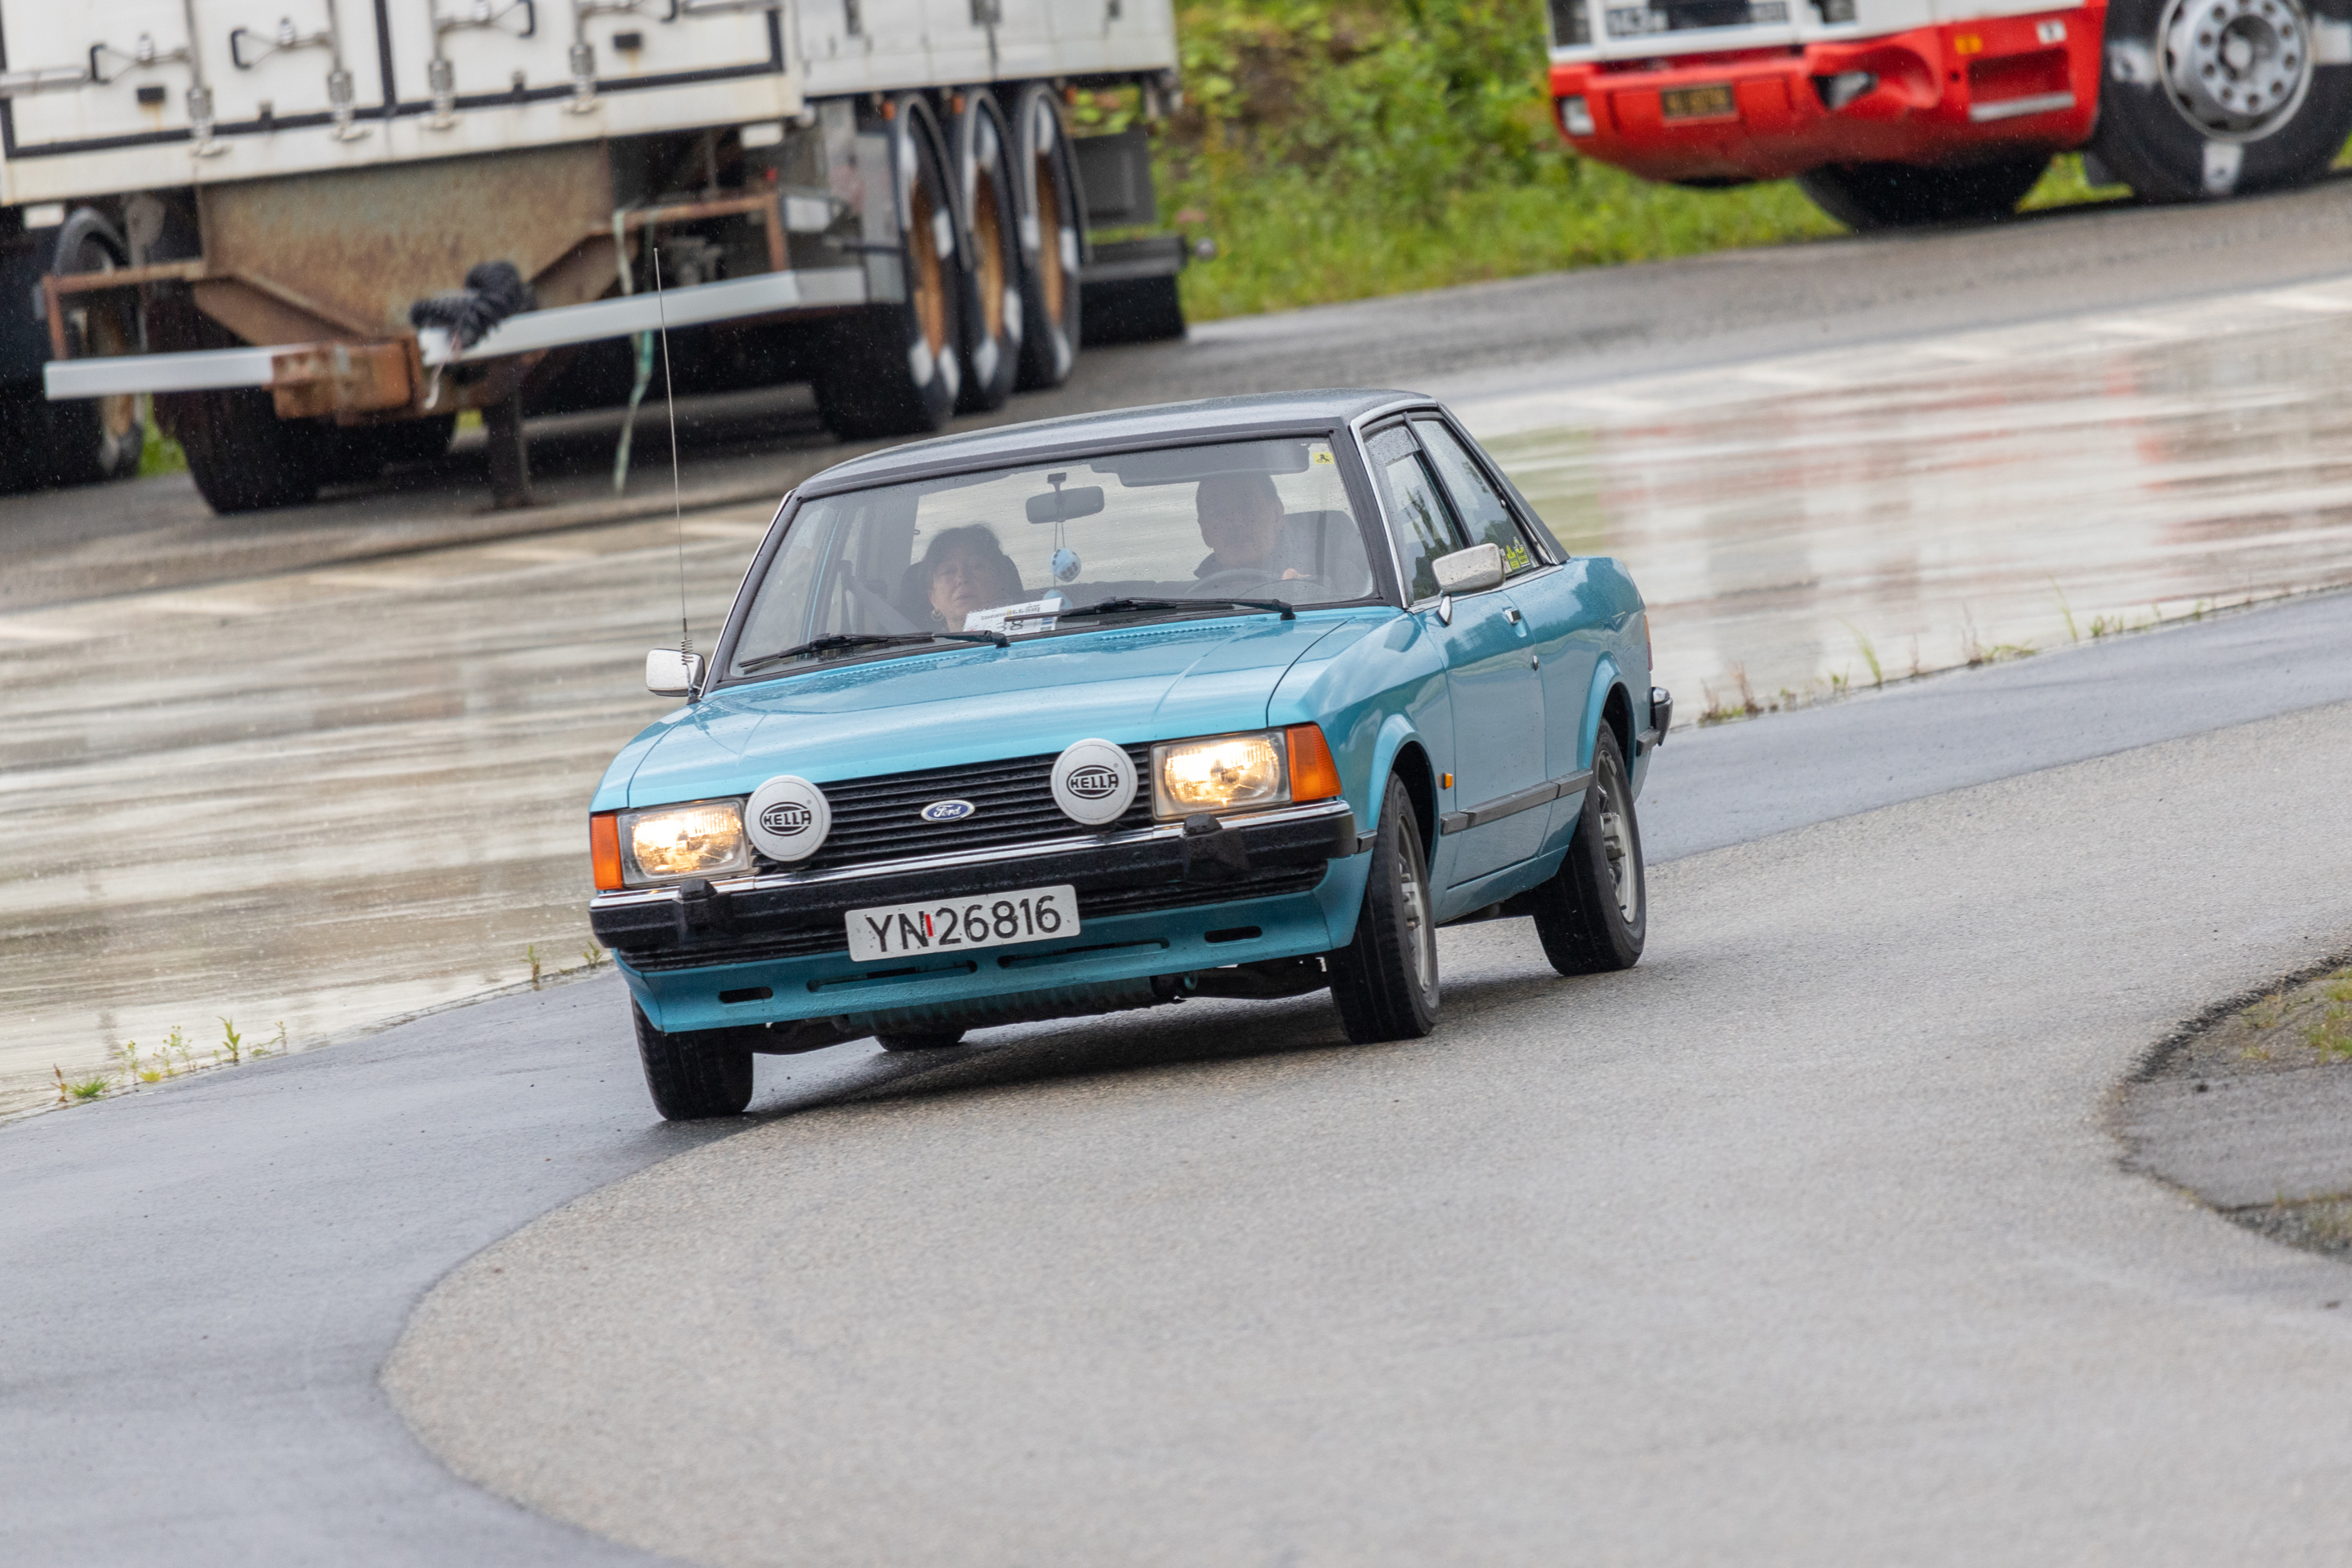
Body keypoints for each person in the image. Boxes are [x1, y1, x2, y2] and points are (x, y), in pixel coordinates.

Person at [902, 524, 1026, 630]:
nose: (961, 578)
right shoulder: (920, 650)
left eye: (976, 566)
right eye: (948, 572)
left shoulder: (1034, 636)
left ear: (1001, 581)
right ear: (933, 598)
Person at [1193, 472, 1307, 582]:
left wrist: (1303, 587)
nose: (1235, 522)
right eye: (1218, 513)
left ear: (1277, 514)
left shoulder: (1313, 575)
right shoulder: (1195, 595)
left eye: (1247, 506)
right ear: (1205, 531)